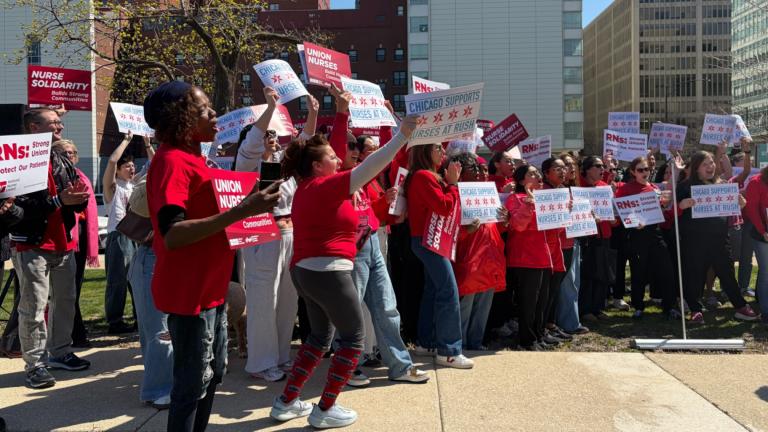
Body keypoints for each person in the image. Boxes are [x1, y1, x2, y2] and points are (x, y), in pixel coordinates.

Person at [143, 81, 282, 431]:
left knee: (210, 377)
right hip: (190, 297)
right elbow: (172, 234)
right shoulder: (173, 162)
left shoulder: (195, 159)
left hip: (211, 292)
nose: (214, 114)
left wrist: (249, 206)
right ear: (183, 119)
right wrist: (242, 211)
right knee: (191, 386)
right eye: (205, 110)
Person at [269, 114, 418, 429]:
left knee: (319, 336)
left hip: (306, 272)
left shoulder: (306, 187)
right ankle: (325, 409)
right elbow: (373, 164)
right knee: (352, 339)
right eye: (332, 157)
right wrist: (402, 136)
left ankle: (286, 402)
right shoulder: (327, 185)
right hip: (330, 273)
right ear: (317, 166)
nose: (338, 159)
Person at [326, 88, 429, 385]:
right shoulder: (334, 181)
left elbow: (386, 154)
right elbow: (338, 144)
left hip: (371, 243)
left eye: (357, 150)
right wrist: (342, 111)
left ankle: (399, 365)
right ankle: (347, 367)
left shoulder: (364, 177)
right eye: (349, 150)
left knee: (386, 306)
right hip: (350, 248)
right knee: (352, 311)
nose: (355, 153)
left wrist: (388, 120)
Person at [236, 87, 317, 382]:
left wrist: (314, 113)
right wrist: (269, 107)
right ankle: (260, 362)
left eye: (274, 134)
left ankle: (281, 357)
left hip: (289, 234)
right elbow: (252, 143)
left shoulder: (284, 165)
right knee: (263, 300)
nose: (271, 138)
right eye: (265, 134)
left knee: (287, 300)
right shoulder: (247, 164)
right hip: (260, 234)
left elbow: (304, 142)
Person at [11, 107, 92, 389]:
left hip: (63, 244)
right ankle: (35, 365)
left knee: (65, 301)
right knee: (33, 307)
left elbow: (72, 196)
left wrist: (78, 199)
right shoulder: (19, 159)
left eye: (59, 122)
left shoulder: (59, 158)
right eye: (54, 123)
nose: (60, 126)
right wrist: (59, 202)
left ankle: (60, 352)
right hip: (32, 245)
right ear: (34, 127)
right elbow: (16, 208)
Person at [403, 144, 474, 368]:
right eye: (437, 148)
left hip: (430, 239)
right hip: (428, 241)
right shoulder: (424, 176)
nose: (443, 152)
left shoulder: (427, 176)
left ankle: (426, 343)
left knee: (433, 291)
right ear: (425, 152)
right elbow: (443, 207)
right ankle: (449, 351)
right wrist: (452, 184)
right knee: (448, 292)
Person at [676, 149, 759, 324]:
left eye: (712, 163)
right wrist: (681, 205)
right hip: (694, 241)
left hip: (720, 240)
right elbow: (673, 212)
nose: (710, 167)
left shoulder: (722, 185)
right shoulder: (685, 186)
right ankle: (695, 310)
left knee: (727, 274)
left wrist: (741, 203)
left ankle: (741, 307)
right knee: (695, 275)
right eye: (705, 164)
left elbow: (735, 207)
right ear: (696, 168)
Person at [505, 164, 565, 350]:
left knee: (541, 301)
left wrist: (564, 212)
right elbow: (518, 226)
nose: (538, 176)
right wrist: (528, 206)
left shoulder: (543, 199)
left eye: (537, 173)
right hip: (525, 257)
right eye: (532, 174)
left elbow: (557, 229)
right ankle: (526, 340)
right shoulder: (515, 198)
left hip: (543, 255)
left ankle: (538, 335)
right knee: (528, 302)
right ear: (522, 180)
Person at [450, 152, 506, 350]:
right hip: (470, 260)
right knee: (465, 306)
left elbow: (494, 227)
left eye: (480, 169)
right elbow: (448, 232)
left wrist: (504, 222)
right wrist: (466, 232)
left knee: (483, 306)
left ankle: (475, 342)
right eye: (473, 168)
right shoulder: (454, 193)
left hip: (490, 259)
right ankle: (460, 345)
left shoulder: (487, 194)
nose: (479, 173)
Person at [615, 156, 678, 319]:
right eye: (641, 170)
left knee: (666, 269)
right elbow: (620, 212)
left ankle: (669, 305)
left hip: (655, 233)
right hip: (636, 234)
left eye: (647, 169)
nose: (645, 172)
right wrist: (635, 222)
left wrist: (663, 205)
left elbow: (661, 211)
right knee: (638, 271)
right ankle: (638, 305)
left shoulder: (654, 188)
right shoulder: (626, 189)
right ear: (633, 172)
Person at [52, 139, 100, 348]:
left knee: (75, 287)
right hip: (63, 234)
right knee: (65, 290)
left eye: (72, 153)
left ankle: (75, 332)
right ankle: (74, 334)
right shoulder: (55, 177)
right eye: (64, 153)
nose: (69, 156)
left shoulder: (83, 177)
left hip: (81, 235)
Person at [102, 132, 143, 334]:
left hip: (137, 236)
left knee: (138, 279)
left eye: (133, 165)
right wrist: (126, 140)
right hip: (119, 236)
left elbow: (153, 167)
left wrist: (148, 145)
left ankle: (139, 317)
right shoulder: (113, 188)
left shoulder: (134, 186)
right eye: (127, 166)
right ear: (118, 171)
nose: (132, 168)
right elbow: (111, 161)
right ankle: (115, 321)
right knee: (118, 280)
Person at [578, 156, 614, 322]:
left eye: (603, 166)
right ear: (586, 169)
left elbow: (612, 214)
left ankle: (598, 308)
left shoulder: (604, 187)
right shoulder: (579, 187)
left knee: (602, 273)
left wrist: (614, 219)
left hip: (604, 235)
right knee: (588, 274)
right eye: (598, 166)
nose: (602, 169)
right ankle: (585, 310)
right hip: (587, 237)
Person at [743, 162, 768, 320]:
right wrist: (763, 231)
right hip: (762, 234)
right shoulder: (756, 182)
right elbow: (751, 209)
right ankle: (766, 311)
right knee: (766, 272)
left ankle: (761, 298)